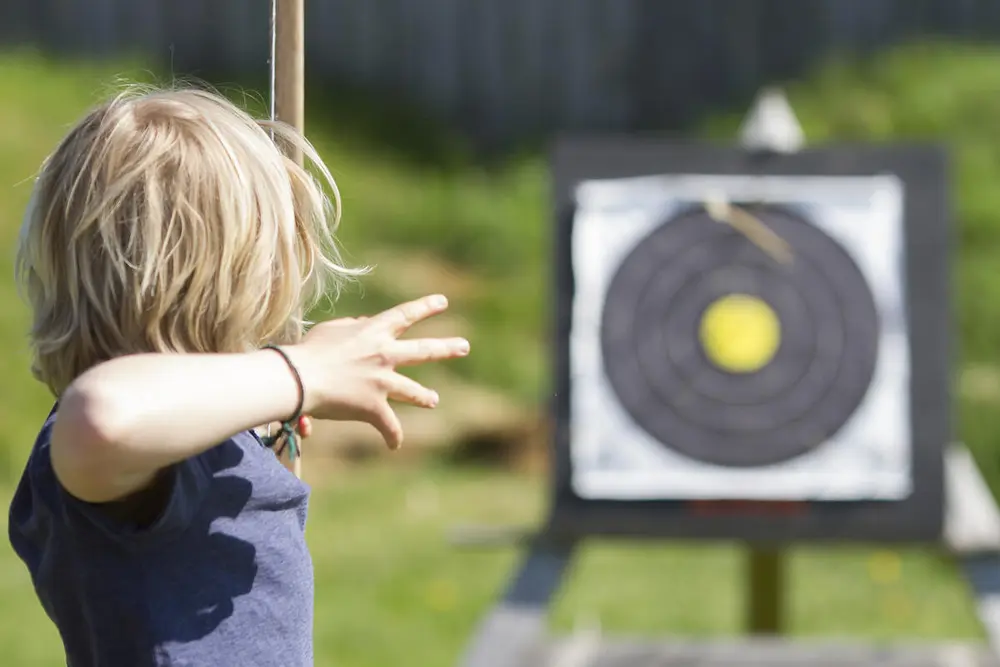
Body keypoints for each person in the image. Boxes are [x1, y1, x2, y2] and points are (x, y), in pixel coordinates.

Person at [7, 85, 470, 667]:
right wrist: (302, 371)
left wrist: (267, 409)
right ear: (231, 277)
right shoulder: (115, 452)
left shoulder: (184, 443)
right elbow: (101, 416)